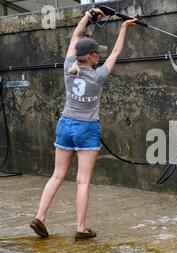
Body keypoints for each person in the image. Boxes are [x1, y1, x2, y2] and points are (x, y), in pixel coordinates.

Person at [29, 8, 137, 240]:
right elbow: (117, 51)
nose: (101, 55)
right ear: (91, 56)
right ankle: (80, 227)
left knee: (57, 175)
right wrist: (124, 28)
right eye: (98, 53)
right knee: (82, 180)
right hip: (87, 128)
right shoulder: (98, 76)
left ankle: (40, 217)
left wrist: (88, 15)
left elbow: (76, 36)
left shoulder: (70, 66)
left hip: (66, 124)